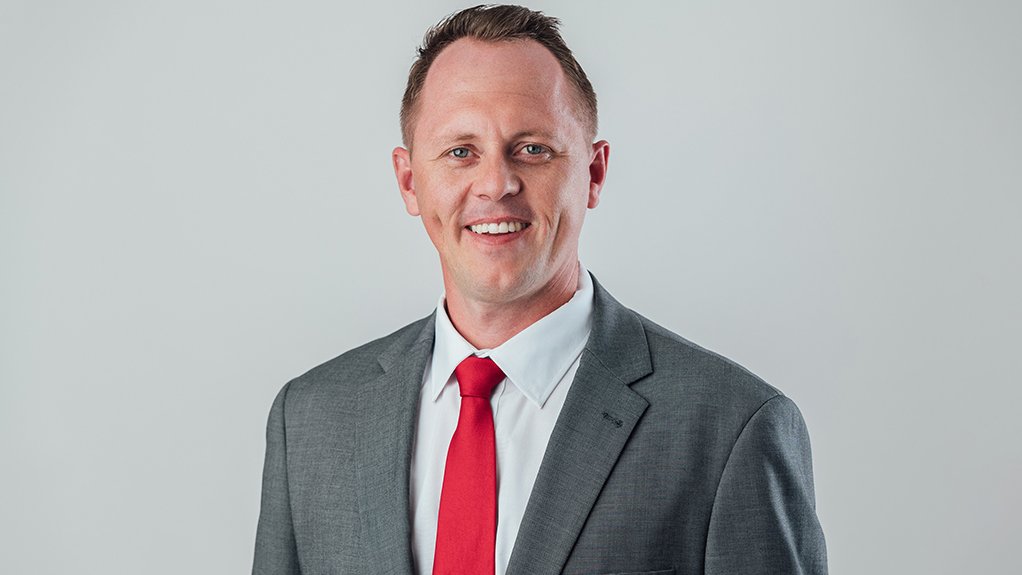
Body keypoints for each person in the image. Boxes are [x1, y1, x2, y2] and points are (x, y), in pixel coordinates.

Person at [253, 5, 827, 575]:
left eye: (533, 149)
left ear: (594, 173)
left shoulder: (731, 428)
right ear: (409, 181)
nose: (496, 184)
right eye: (460, 152)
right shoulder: (310, 420)